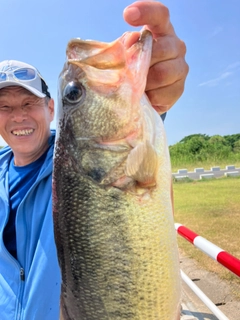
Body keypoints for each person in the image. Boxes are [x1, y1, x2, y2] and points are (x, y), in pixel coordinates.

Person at [0, 2, 188, 319]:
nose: (18, 115)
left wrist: (157, 87)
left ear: (50, 109)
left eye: (29, 102)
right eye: (4, 107)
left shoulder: (77, 159)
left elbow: (144, 122)